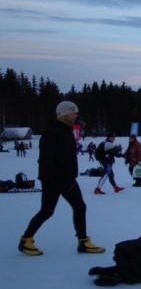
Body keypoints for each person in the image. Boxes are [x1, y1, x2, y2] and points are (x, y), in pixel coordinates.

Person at [18, 101, 105, 256]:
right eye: (73, 112)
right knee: (47, 211)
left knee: (79, 207)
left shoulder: (66, 131)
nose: (76, 115)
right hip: (54, 180)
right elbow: (46, 159)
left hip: (68, 180)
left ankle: (83, 241)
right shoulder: (52, 132)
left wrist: (69, 177)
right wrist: (55, 179)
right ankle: (26, 240)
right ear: (64, 113)